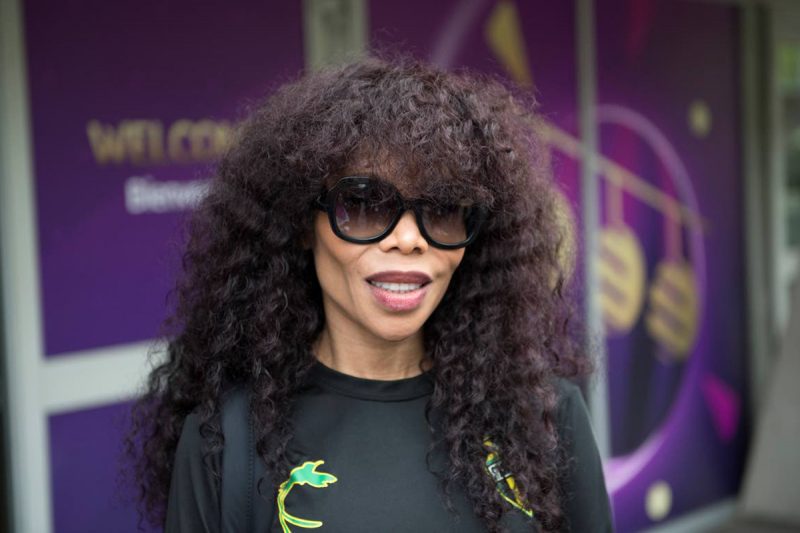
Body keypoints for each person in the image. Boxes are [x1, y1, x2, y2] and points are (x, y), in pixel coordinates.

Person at [126, 56, 613, 532]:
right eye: (364, 204)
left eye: (443, 208)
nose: (409, 238)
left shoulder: (545, 417)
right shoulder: (227, 442)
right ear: (303, 224)